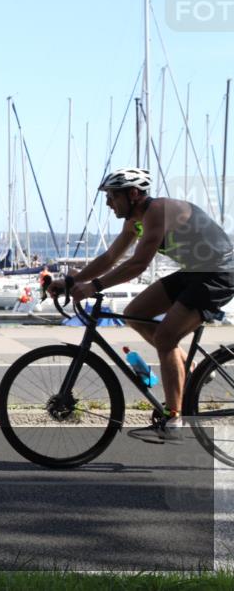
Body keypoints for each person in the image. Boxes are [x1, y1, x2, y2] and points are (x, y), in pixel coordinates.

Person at [50, 167, 234, 442]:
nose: (108, 203)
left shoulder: (158, 211)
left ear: (133, 194)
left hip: (219, 273)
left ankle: (175, 417)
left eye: (112, 196)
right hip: (195, 271)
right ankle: (189, 368)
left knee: (165, 337)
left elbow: (138, 264)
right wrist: (70, 281)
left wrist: (94, 287)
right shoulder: (135, 221)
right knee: (134, 313)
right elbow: (110, 257)